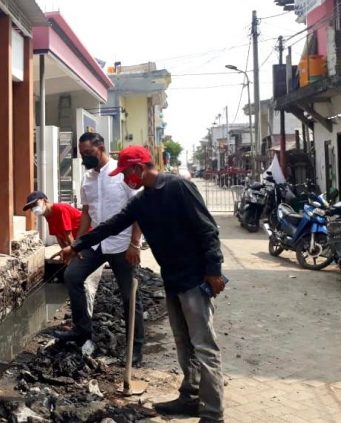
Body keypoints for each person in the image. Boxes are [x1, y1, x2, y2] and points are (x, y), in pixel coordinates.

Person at [65, 145, 225, 423]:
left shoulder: (178, 188)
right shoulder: (142, 201)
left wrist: (214, 270)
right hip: (172, 278)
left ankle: (213, 414)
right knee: (182, 343)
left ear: (139, 168)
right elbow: (111, 225)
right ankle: (190, 396)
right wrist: (78, 244)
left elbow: (207, 229)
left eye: (126, 173)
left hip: (195, 277)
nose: (125, 178)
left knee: (204, 346)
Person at [56, 132, 145, 367]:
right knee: (72, 276)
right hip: (97, 244)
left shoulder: (121, 173)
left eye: (89, 153)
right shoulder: (87, 178)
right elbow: (86, 213)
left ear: (101, 147)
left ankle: (135, 349)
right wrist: (78, 244)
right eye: (82, 154)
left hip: (122, 245)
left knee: (129, 295)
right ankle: (81, 330)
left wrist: (135, 244)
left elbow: (138, 211)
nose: (85, 158)